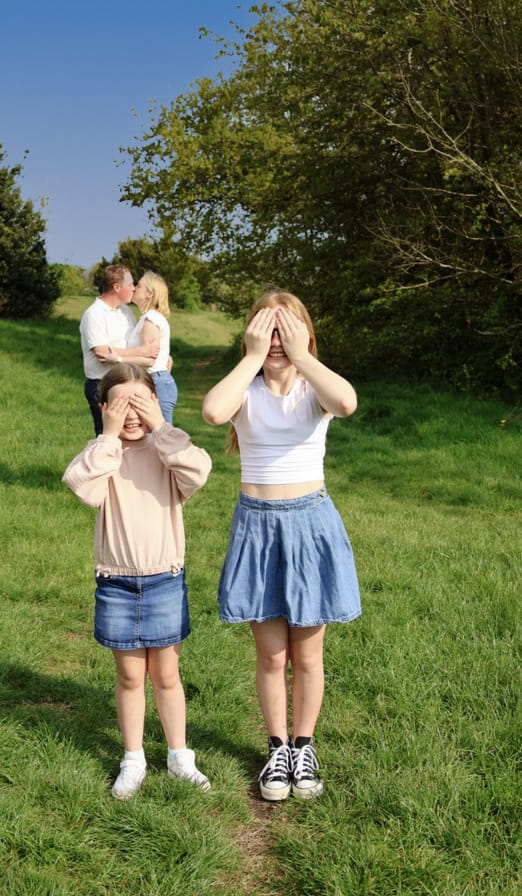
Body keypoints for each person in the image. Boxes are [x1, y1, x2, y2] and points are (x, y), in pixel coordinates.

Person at [202, 291, 361, 802]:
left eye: (285, 331)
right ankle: (276, 749)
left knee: (308, 656)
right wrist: (250, 357)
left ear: (303, 335)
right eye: (265, 331)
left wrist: (303, 354)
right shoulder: (245, 389)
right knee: (271, 657)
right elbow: (210, 412)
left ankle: (304, 746)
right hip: (258, 527)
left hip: (310, 527)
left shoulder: (312, 387)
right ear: (250, 335)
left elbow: (347, 402)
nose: (275, 342)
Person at [62, 362, 212, 800]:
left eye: (140, 403)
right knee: (129, 676)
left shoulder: (166, 450)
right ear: (103, 406)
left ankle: (179, 756)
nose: (131, 415)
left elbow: (198, 471)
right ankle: (133, 758)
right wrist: (107, 436)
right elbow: (80, 485)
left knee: (167, 674)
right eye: (122, 405)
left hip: (165, 579)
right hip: (117, 584)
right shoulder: (103, 455)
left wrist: (160, 425)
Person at [79, 264, 159, 436]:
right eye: (130, 284)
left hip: (127, 381)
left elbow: (130, 345)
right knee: (108, 437)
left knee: (136, 436)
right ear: (117, 287)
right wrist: (142, 352)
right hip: (102, 384)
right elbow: (102, 353)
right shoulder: (94, 314)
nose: (134, 288)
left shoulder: (125, 311)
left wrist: (157, 357)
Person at [129, 271, 178, 423]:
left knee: (162, 438)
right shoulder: (148, 318)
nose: (134, 288)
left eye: (139, 286)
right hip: (155, 381)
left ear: (149, 294)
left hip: (156, 382)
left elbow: (149, 359)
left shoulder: (151, 319)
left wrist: (116, 358)